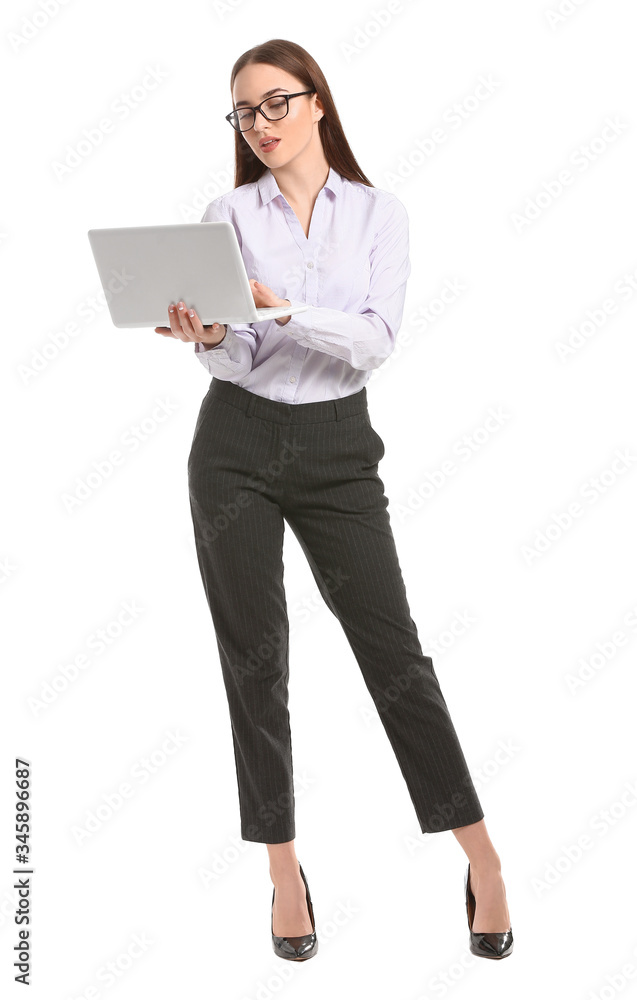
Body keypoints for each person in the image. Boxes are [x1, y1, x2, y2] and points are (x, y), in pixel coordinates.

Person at [155, 38, 513, 962]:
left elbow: (373, 340)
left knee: (393, 652)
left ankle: (482, 855)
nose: (261, 126)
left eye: (276, 104)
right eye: (244, 113)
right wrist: (210, 337)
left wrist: (279, 310)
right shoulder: (225, 213)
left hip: (337, 450)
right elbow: (240, 355)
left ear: (318, 103)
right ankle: (283, 868)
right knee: (255, 660)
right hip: (232, 442)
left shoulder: (379, 215)